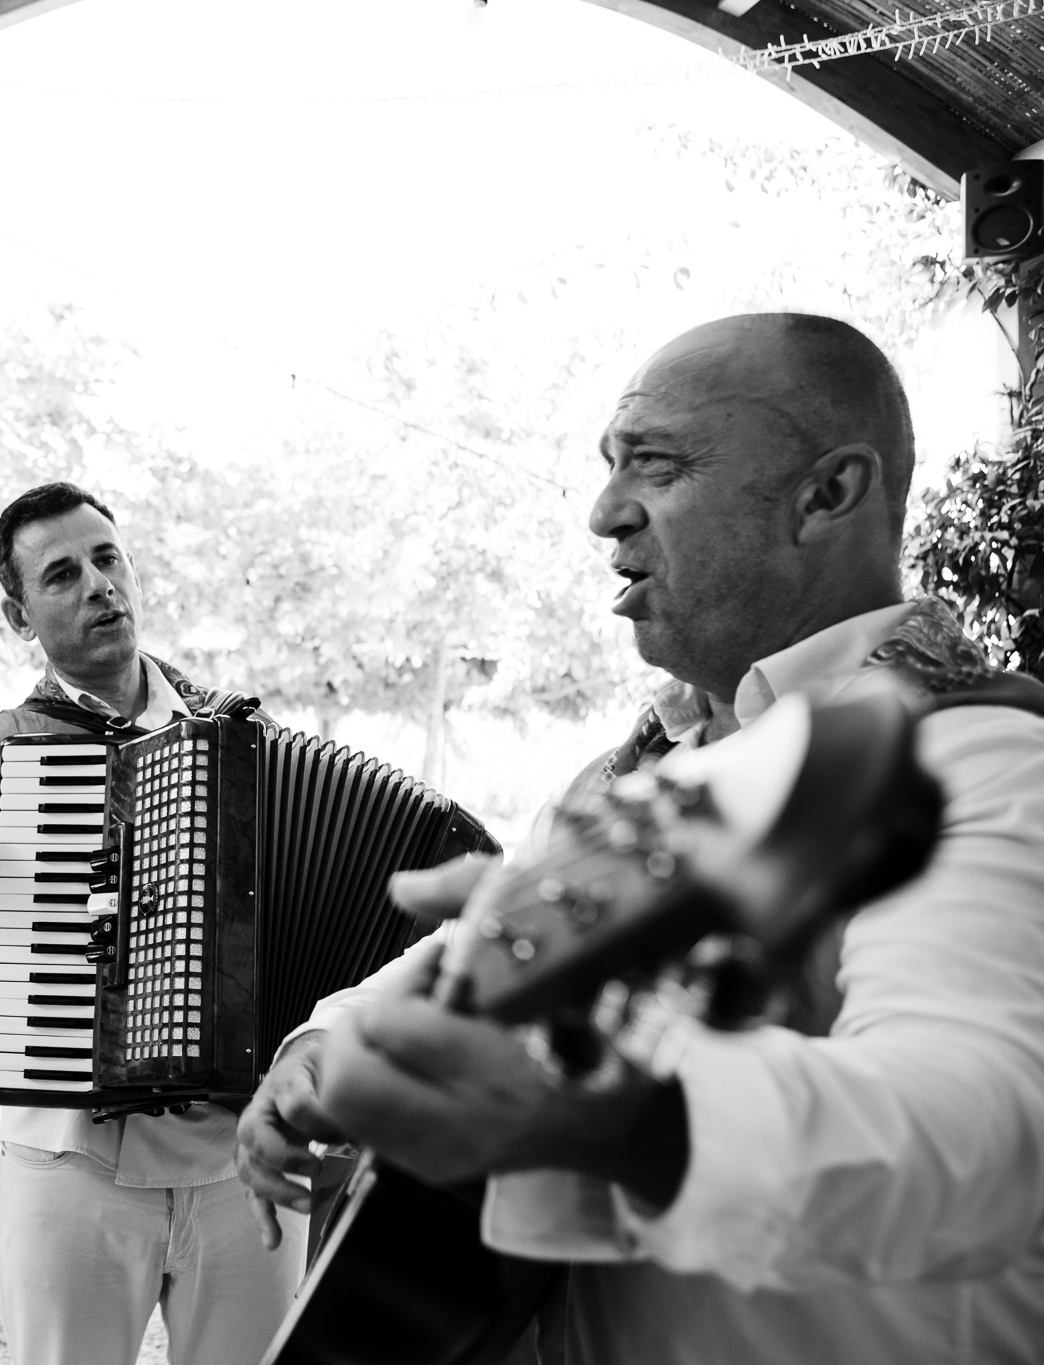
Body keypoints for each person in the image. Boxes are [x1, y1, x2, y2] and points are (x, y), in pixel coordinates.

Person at [236, 313, 1044, 1362]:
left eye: (652, 466)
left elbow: (979, 1135)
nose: (601, 513)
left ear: (826, 495)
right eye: (607, 467)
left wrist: (625, 1127)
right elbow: (486, 947)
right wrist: (322, 1043)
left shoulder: (974, 760)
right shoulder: (639, 771)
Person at [0, 481, 305, 1365]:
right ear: (21, 615)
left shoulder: (245, 741)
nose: (99, 584)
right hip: (69, 1168)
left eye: (107, 558)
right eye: (63, 574)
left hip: (238, 1167)